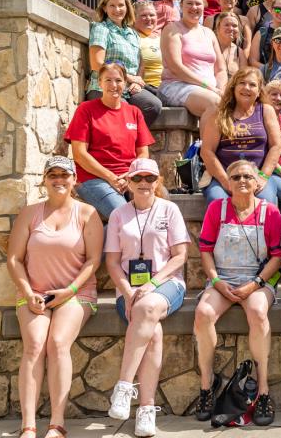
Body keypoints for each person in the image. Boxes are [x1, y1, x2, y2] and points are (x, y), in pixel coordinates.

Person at [7, 157, 103, 438]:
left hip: (75, 292)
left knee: (58, 342)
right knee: (35, 345)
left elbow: (93, 260)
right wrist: (28, 293)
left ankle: (57, 424)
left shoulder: (87, 213)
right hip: (35, 293)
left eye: (65, 174)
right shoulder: (30, 214)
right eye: (53, 175)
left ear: (74, 180)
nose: (59, 179)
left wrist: (69, 291)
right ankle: (28, 425)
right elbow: (14, 259)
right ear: (44, 180)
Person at [193, 159, 281, 426]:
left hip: (257, 279)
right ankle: (207, 385)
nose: (242, 181)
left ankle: (263, 390)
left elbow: (277, 257)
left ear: (257, 182)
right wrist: (216, 281)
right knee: (203, 313)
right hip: (223, 279)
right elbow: (205, 250)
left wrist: (254, 284)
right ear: (228, 183)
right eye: (235, 177)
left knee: (257, 312)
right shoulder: (216, 209)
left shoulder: (270, 212)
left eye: (247, 176)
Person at [105, 159, 189, 438]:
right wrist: (128, 292)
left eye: (150, 178)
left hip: (166, 284)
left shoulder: (169, 209)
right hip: (128, 289)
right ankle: (146, 409)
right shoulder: (118, 214)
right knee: (153, 332)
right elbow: (113, 262)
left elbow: (180, 256)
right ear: (128, 182)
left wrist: (152, 283)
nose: (144, 183)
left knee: (148, 306)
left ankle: (123, 386)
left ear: (158, 181)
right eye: (138, 178)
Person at [201, 66, 281, 211]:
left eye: (252, 84)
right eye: (242, 83)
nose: (246, 88)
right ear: (234, 87)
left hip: (257, 174)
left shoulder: (266, 110)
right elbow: (207, 151)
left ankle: (275, 227)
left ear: (259, 90)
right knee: (218, 202)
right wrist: (225, 181)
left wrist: (263, 176)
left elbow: (276, 146)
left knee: (268, 202)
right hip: (225, 174)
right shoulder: (219, 113)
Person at [64, 62, 154, 220]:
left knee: (160, 207)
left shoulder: (134, 112)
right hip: (94, 179)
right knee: (125, 217)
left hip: (130, 178)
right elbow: (79, 154)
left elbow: (143, 154)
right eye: (108, 80)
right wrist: (111, 178)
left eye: (118, 80)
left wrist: (129, 176)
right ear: (99, 83)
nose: (114, 85)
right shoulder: (86, 109)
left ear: (125, 83)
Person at [86, 0, 162, 127]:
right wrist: (129, 78)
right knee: (124, 112)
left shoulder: (132, 33)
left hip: (128, 87)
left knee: (152, 105)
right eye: (112, 5)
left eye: (121, 5)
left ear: (127, 7)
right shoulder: (101, 29)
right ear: (105, 8)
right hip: (104, 86)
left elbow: (140, 63)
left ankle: (131, 138)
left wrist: (137, 82)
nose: (117, 9)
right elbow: (97, 63)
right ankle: (125, 138)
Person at [159, 0, 227, 121]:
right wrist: (208, 87)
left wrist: (221, 89)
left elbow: (221, 69)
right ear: (181, 5)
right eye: (189, 3)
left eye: (198, 3)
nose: (194, 7)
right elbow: (176, 67)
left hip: (210, 90)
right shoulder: (172, 29)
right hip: (177, 85)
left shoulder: (209, 33)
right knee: (215, 103)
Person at [133, 1, 163, 93]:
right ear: (134, 18)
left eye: (152, 15)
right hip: (147, 88)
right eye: (143, 15)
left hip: (167, 86)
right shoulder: (132, 37)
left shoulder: (161, 38)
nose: (149, 18)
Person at [214, 10, 249, 81]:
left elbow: (243, 78)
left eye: (234, 26)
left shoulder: (239, 52)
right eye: (227, 25)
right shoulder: (209, 47)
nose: (231, 28)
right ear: (218, 27)